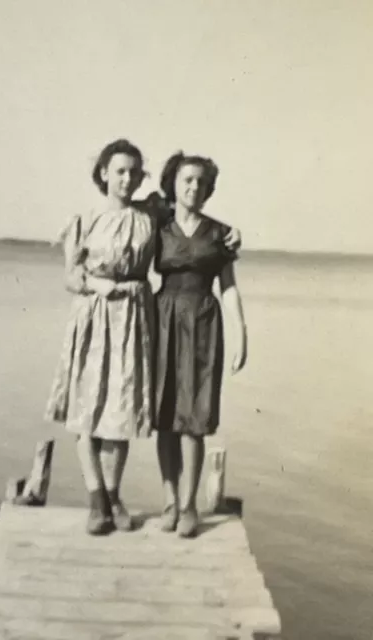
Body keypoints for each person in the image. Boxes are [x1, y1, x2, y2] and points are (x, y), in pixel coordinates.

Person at [45, 139, 242, 536]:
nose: (128, 178)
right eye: (119, 171)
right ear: (103, 172)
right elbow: (69, 276)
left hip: (136, 318)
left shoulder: (149, 214)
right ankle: (98, 499)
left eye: (134, 172)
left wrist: (233, 234)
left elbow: (191, 208)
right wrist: (93, 284)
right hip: (96, 316)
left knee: (121, 410)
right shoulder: (83, 220)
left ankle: (120, 497)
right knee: (88, 411)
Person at [154, 151, 247, 538]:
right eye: (186, 180)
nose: (193, 187)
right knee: (164, 417)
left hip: (204, 322)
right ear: (173, 184)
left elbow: (228, 287)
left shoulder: (219, 233)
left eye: (199, 182)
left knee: (194, 418)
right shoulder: (157, 227)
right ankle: (170, 501)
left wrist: (241, 330)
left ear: (208, 189)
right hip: (162, 321)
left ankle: (191, 505)